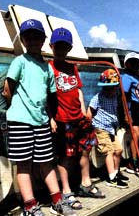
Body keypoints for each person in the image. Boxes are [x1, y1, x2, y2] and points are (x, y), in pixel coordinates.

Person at [2, 19, 77, 216]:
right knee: (24, 165)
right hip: (20, 122)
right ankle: (29, 205)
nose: (33, 39)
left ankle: (57, 199)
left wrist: (50, 117)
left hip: (42, 121)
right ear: (23, 40)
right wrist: (17, 109)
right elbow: (7, 90)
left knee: (46, 162)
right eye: (28, 36)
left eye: (37, 36)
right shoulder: (19, 61)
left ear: (44, 40)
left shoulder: (46, 69)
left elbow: (50, 97)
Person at [48, 27, 105, 210]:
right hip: (63, 119)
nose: (61, 49)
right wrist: (51, 118)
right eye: (58, 46)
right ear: (51, 46)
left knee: (85, 150)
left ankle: (85, 184)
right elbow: (46, 96)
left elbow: (78, 90)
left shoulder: (72, 67)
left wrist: (83, 111)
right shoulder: (49, 67)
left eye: (65, 46)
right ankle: (66, 191)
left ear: (69, 48)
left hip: (78, 118)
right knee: (66, 156)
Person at [87, 69, 129, 189]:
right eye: (107, 88)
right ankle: (112, 178)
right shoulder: (97, 98)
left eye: (112, 87)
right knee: (108, 151)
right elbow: (89, 113)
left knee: (119, 150)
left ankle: (115, 173)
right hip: (100, 128)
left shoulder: (116, 96)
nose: (109, 90)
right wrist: (88, 128)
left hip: (111, 129)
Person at [121, 52, 139, 175]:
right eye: (132, 62)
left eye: (137, 62)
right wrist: (126, 114)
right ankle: (133, 162)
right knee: (135, 135)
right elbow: (124, 96)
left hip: (137, 108)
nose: (134, 65)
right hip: (131, 107)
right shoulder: (126, 77)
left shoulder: (137, 77)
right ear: (126, 64)